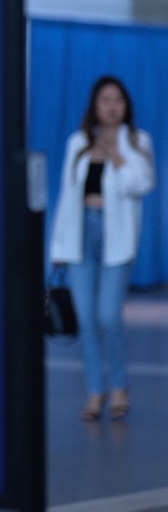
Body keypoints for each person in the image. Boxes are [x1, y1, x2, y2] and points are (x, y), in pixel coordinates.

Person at [50, 75, 155, 421]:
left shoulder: (138, 141)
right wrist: (58, 245)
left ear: (126, 106)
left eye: (118, 100)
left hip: (116, 237)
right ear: (95, 105)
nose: (112, 106)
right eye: (105, 100)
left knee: (109, 314)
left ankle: (120, 387)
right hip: (80, 234)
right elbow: (67, 196)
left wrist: (117, 157)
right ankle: (96, 392)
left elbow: (142, 184)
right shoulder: (78, 142)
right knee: (86, 318)